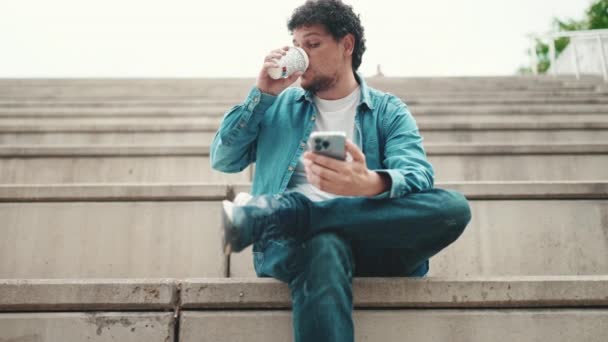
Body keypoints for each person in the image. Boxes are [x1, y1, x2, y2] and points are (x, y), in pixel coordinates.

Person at [210, 1, 471, 341]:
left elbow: (417, 174)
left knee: (453, 207)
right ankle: (293, 219)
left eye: (313, 44)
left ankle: (281, 214)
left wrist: (370, 183)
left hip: (374, 242)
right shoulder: (276, 105)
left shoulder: (388, 110)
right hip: (295, 247)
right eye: (296, 45)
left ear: (346, 45)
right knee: (325, 244)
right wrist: (261, 95)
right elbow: (224, 159)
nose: (301, 55)